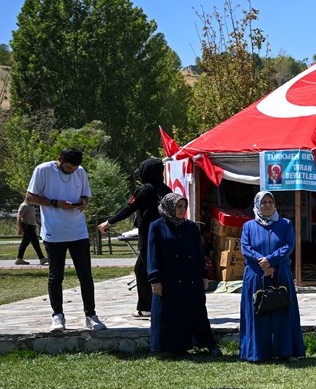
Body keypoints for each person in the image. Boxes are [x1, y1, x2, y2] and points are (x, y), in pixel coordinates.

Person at [24, 148, 106, 332]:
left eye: (74, 169)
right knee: (56, 276)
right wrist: (55, 203)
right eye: (68, 167)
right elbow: (29, 197)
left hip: (78, 231)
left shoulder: (81, 172)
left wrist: (84, 202)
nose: (71, 171)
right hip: (54, 232)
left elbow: (86, 194)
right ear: (58, 159)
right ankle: (58, 316)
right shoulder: (43, 170)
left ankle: (91, 315)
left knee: (85, 275)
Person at [97, 157, 171, 318]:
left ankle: (154, 307)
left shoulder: (145, 189)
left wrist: (108, 222)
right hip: (165, 234)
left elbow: (129, 208)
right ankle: (150, 306)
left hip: (149, 235)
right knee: (143, 269)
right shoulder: (166, 190)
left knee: (149, 270)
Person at [147, 193, 219, 356]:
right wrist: (154, 279)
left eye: (184, 206)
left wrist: (203, 275)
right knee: (169, 313)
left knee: (196, 311)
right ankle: (169, 347)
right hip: (168, 278)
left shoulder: (191, 227)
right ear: (169, 207)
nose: (182, 210)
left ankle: (207, 343)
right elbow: (152, 254)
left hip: (190, 277)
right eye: (178, 206)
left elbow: (198, 253)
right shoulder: (157, 226)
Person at [239, 191, 305, 363]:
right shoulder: (249, 226)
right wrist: (263, 265)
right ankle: (257, 353)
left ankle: (286, 351)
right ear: (257, 205)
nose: (267, 205)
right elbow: (246, 248)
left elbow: (288, 246)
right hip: (255, 274)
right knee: (257, 311)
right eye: (264, 202)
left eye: (270, 202)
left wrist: (270, 260)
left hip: (280, 273)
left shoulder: (285, 224)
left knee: (282, 310)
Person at [14, 199, 46, 265]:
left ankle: (19, 258)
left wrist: (39, 223)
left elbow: (34, 216)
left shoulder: (31, 206)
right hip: (27, 226)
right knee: (35, 242)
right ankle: (42, 258)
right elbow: (19, 217)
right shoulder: (24, 206)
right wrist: (19, 228)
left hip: (32, 227)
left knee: (24, 243)